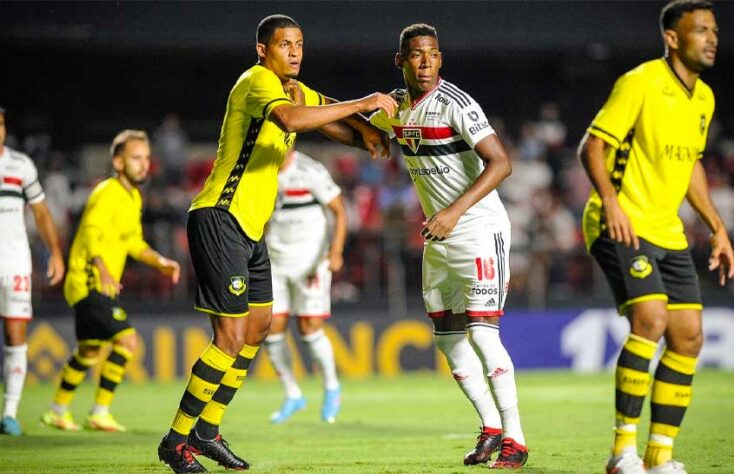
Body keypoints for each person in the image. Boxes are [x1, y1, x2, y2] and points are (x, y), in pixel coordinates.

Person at [157, 14, 396, 473]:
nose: (295, 52)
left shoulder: (297, 89)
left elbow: (330, 120)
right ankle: (176, 440)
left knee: (258, 329)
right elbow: (293, 119)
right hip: (220, 217)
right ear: (262, 50)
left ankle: (208, 431)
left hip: (251, 229)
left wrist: (366, 130)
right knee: (228, 339)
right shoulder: (257, 82)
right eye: (285, 44)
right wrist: (362, 104)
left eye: (300, 44)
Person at [577, 2, 733, 473]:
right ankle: (622, 451)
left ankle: (660, 455)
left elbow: (690, 167)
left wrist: (717, 227)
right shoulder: (640, 82)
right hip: (621, 222)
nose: (711, 38)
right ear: (672, 37)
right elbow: (593, 145)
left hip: (667, 230)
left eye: (715, 31)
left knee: (688, 337)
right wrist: (611, 202)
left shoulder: (702, 98)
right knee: (651, 319)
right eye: (700, 30)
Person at [370, 24, 528, 468]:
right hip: (438, 237)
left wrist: (454, 212)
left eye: (434, 54)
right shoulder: (397, 106)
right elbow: (354, 118)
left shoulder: (456, 104)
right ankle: (490, 428)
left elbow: (501, 163)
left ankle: (516, 439)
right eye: (417, 55)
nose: (426, 62)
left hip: (477, 227)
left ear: (441, 60)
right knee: (449, 342)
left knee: (482, 332)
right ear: (400, 60)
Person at [40, 129, 180, 433]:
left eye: (146, 158)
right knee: (127, 340)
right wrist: (102, 267)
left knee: (89, 350)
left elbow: (133, 241)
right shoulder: (107, 192)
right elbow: (90, 230)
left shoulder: (133, 197)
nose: (144, 164)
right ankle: (100, 412)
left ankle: (56, 410)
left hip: (97, 283)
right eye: (136, 158)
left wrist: (160, 262)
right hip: (90, 280)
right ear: (118, 162)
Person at [264, 148, 346, 424]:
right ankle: (292, 394)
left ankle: (332, 388)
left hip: (310, 260)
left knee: (309, 327)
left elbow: (339, 209)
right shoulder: (261, 169)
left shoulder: (310, 170)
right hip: (275, 260)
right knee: (272, 327)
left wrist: (335, 252)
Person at [0, 107, 65, 435]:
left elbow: (40, 212)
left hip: (14, 263)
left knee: (15, 336)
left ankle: (9, 413)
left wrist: (55, 252)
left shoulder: (20, 164)